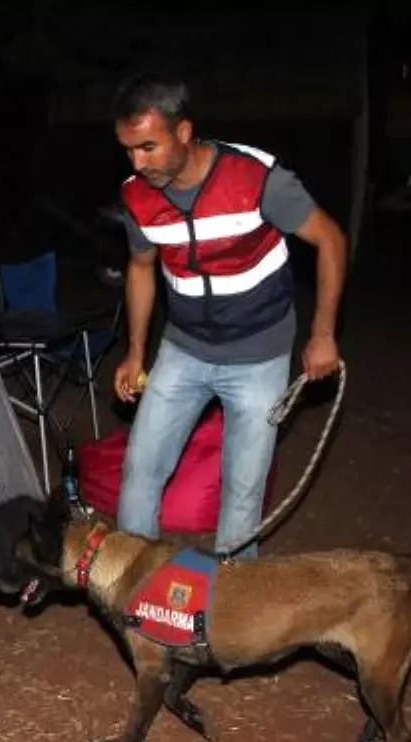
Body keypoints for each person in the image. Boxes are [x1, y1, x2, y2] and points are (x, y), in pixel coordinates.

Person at [110, 72, 347, 559]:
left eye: (148, 147)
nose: (138, 162)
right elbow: (140, 266)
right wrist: (135, 353)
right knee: (141, 470)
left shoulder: (257, 179)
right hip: (183, 347)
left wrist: (323, 333)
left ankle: (231, 617)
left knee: (241, 496)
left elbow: (331, 240)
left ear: (183, 131)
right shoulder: (138, 195)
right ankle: (135, 596)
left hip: (260, 353)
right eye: (129, 149)